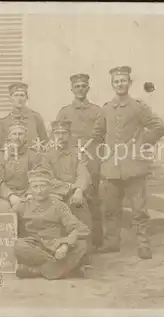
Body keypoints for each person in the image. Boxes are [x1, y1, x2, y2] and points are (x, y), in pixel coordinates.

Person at [92, 66, 164, 259]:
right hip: (111, 167)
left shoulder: (138, 107)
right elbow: (97, 134)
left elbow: (159, 127)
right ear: (112, 84)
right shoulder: (106, 108)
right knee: (110, 208)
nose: (120, 84)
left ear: (129, 83)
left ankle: (143, 243)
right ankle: (111, 242)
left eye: (123, 80)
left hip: (134, 166)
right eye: (116, 81)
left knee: (139, 209)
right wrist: (101, 154)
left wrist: (142, 143)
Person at [13, 164, 90, 280]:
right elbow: (7, 224)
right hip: (37, 248)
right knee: (19, 246)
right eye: (35, 187)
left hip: (57, 244)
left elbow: (82, 229)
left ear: (49, 187)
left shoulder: (59, 205)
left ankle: (36, 271)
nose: (39, 191)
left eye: (43, 186)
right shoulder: (23, 206)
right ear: (30, 188)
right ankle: (66, 268)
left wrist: (65, 244)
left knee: (81, 244)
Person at [56, 73, 103, 248]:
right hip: (72, 160)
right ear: (72, 89)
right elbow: (58, 137)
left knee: (94, 198)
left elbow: (102, 135)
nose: (80, 89)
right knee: (73, 198)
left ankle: (96, 241)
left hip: (93, 159)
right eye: (77, 86)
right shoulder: (64, 112)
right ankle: (74, 239)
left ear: (88, 88)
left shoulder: (97, 111)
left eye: (84, 86)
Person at [44, 120, 93, 250]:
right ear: (52, 135)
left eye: (64, 133)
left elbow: (83, 173)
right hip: (54, 194)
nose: (61, 136)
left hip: (74, 193)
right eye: (57, 133)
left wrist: (79, 190)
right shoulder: (46, 154)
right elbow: (48, 179)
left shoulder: (77, 152)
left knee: (80, 207)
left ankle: (84, 251)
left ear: (69, 135)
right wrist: (71, 188)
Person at [0, 119, 45, 215]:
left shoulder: (33, 155)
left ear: (25, 137)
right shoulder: (1, 156)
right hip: (7, 196)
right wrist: (10, 196)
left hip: (28, 194)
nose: (17, 137)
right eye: (14, 134)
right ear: (9, 137)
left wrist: (30, 193)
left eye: (20, 134)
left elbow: (37, 177)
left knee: (35, 210)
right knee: (3, 211)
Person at [0, 82, 48, 148]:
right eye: (16, 95)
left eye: (22, 95)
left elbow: (45, 142)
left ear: (26, 98)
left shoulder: (35, 118)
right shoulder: (4, 121)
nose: (19, 99)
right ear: (10, 98)